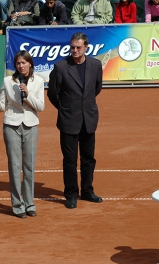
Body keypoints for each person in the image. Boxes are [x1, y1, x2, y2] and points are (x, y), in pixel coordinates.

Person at [0, 50, 45, 218]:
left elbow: (41, 107)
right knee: (15, 166)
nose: (21, 66)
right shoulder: (8, 81)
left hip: (31, 125)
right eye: (18, 63)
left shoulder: (38, 81)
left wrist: (28, 94)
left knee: (29, 166)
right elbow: (3, 106)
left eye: (24, 62)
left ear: (30, 63)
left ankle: (30, 204)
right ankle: (17, 205)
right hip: (12, 125)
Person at [47, 33, 103, 209]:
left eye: (78, 47)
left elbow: (96, 88)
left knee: (88, 158)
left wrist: (83, 106)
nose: (75, 50)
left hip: (89, 119)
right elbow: (52, 93)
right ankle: (71, 194)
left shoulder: (95, 65)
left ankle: (87, 191)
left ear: (86, 47)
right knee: (70, 160)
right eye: (72, 47)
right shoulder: (61, 67)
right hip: (68, 120)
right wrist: (66, 108)